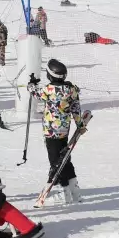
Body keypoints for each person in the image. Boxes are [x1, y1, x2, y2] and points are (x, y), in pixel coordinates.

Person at [27, 60, 84, 203]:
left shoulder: (48, 89)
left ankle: (62, 191)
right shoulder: (71, 89)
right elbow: (76, 109)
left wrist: (32, 83)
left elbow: (35, 92)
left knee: (55, 162)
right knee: (65, 158)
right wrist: (80, 124)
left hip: (51, 131)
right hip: (64, 130)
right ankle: (74, 190)